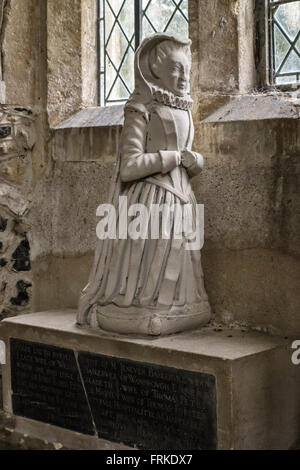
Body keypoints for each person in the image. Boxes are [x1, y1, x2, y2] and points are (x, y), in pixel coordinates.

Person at [77, 33, 211, 336]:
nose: (182, 77)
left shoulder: (183, 107)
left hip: (181, 199)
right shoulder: (140, 107)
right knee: (147, 265)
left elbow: (190, 158)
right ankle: (135, 307)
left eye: (185, 70)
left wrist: (195, 161)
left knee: (183, 266)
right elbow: (129, 167)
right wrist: (173, 157)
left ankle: (182, 307)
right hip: (150, 200)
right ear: (156, 70)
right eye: (175, 69)